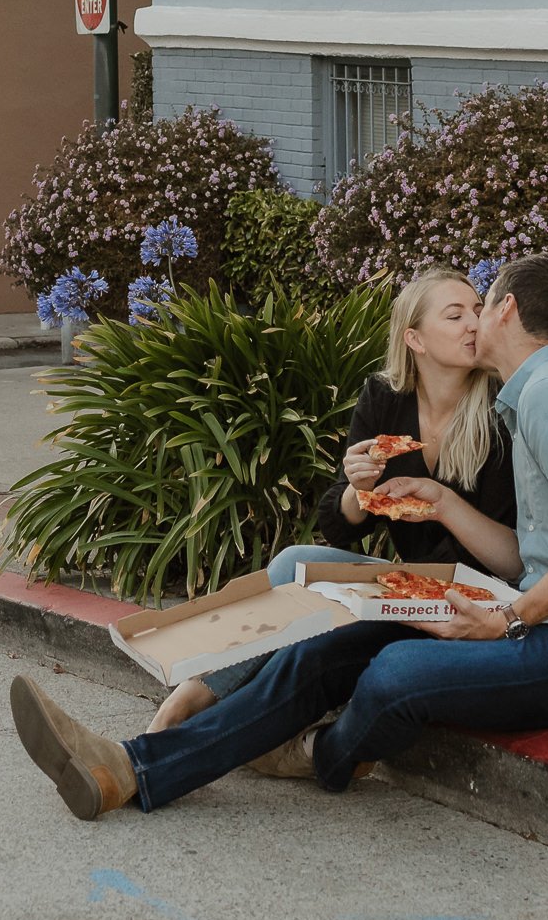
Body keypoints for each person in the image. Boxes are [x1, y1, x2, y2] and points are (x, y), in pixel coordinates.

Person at [8, 252, 548, 820]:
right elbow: (540, 551)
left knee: (394, 672)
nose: (475, 316)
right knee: (324, 651)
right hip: (528, 617)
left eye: (484, 300)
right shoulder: (528, 395)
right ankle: (128, 769)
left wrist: (507, 616)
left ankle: (324, 756)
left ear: (507, 309)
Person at [147, 267, 518, 730]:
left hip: (477, 600)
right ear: (415, 340)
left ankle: (206, 718)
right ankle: (187, 701)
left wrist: (442, 503)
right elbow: (339, 524)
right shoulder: (385, 396)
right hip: (410, 586)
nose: (472, 323)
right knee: (294, 562)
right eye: (454, 315)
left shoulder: (501, 409)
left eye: (478, 311)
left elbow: (510, 558)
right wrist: (359, 491)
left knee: (313, 609)